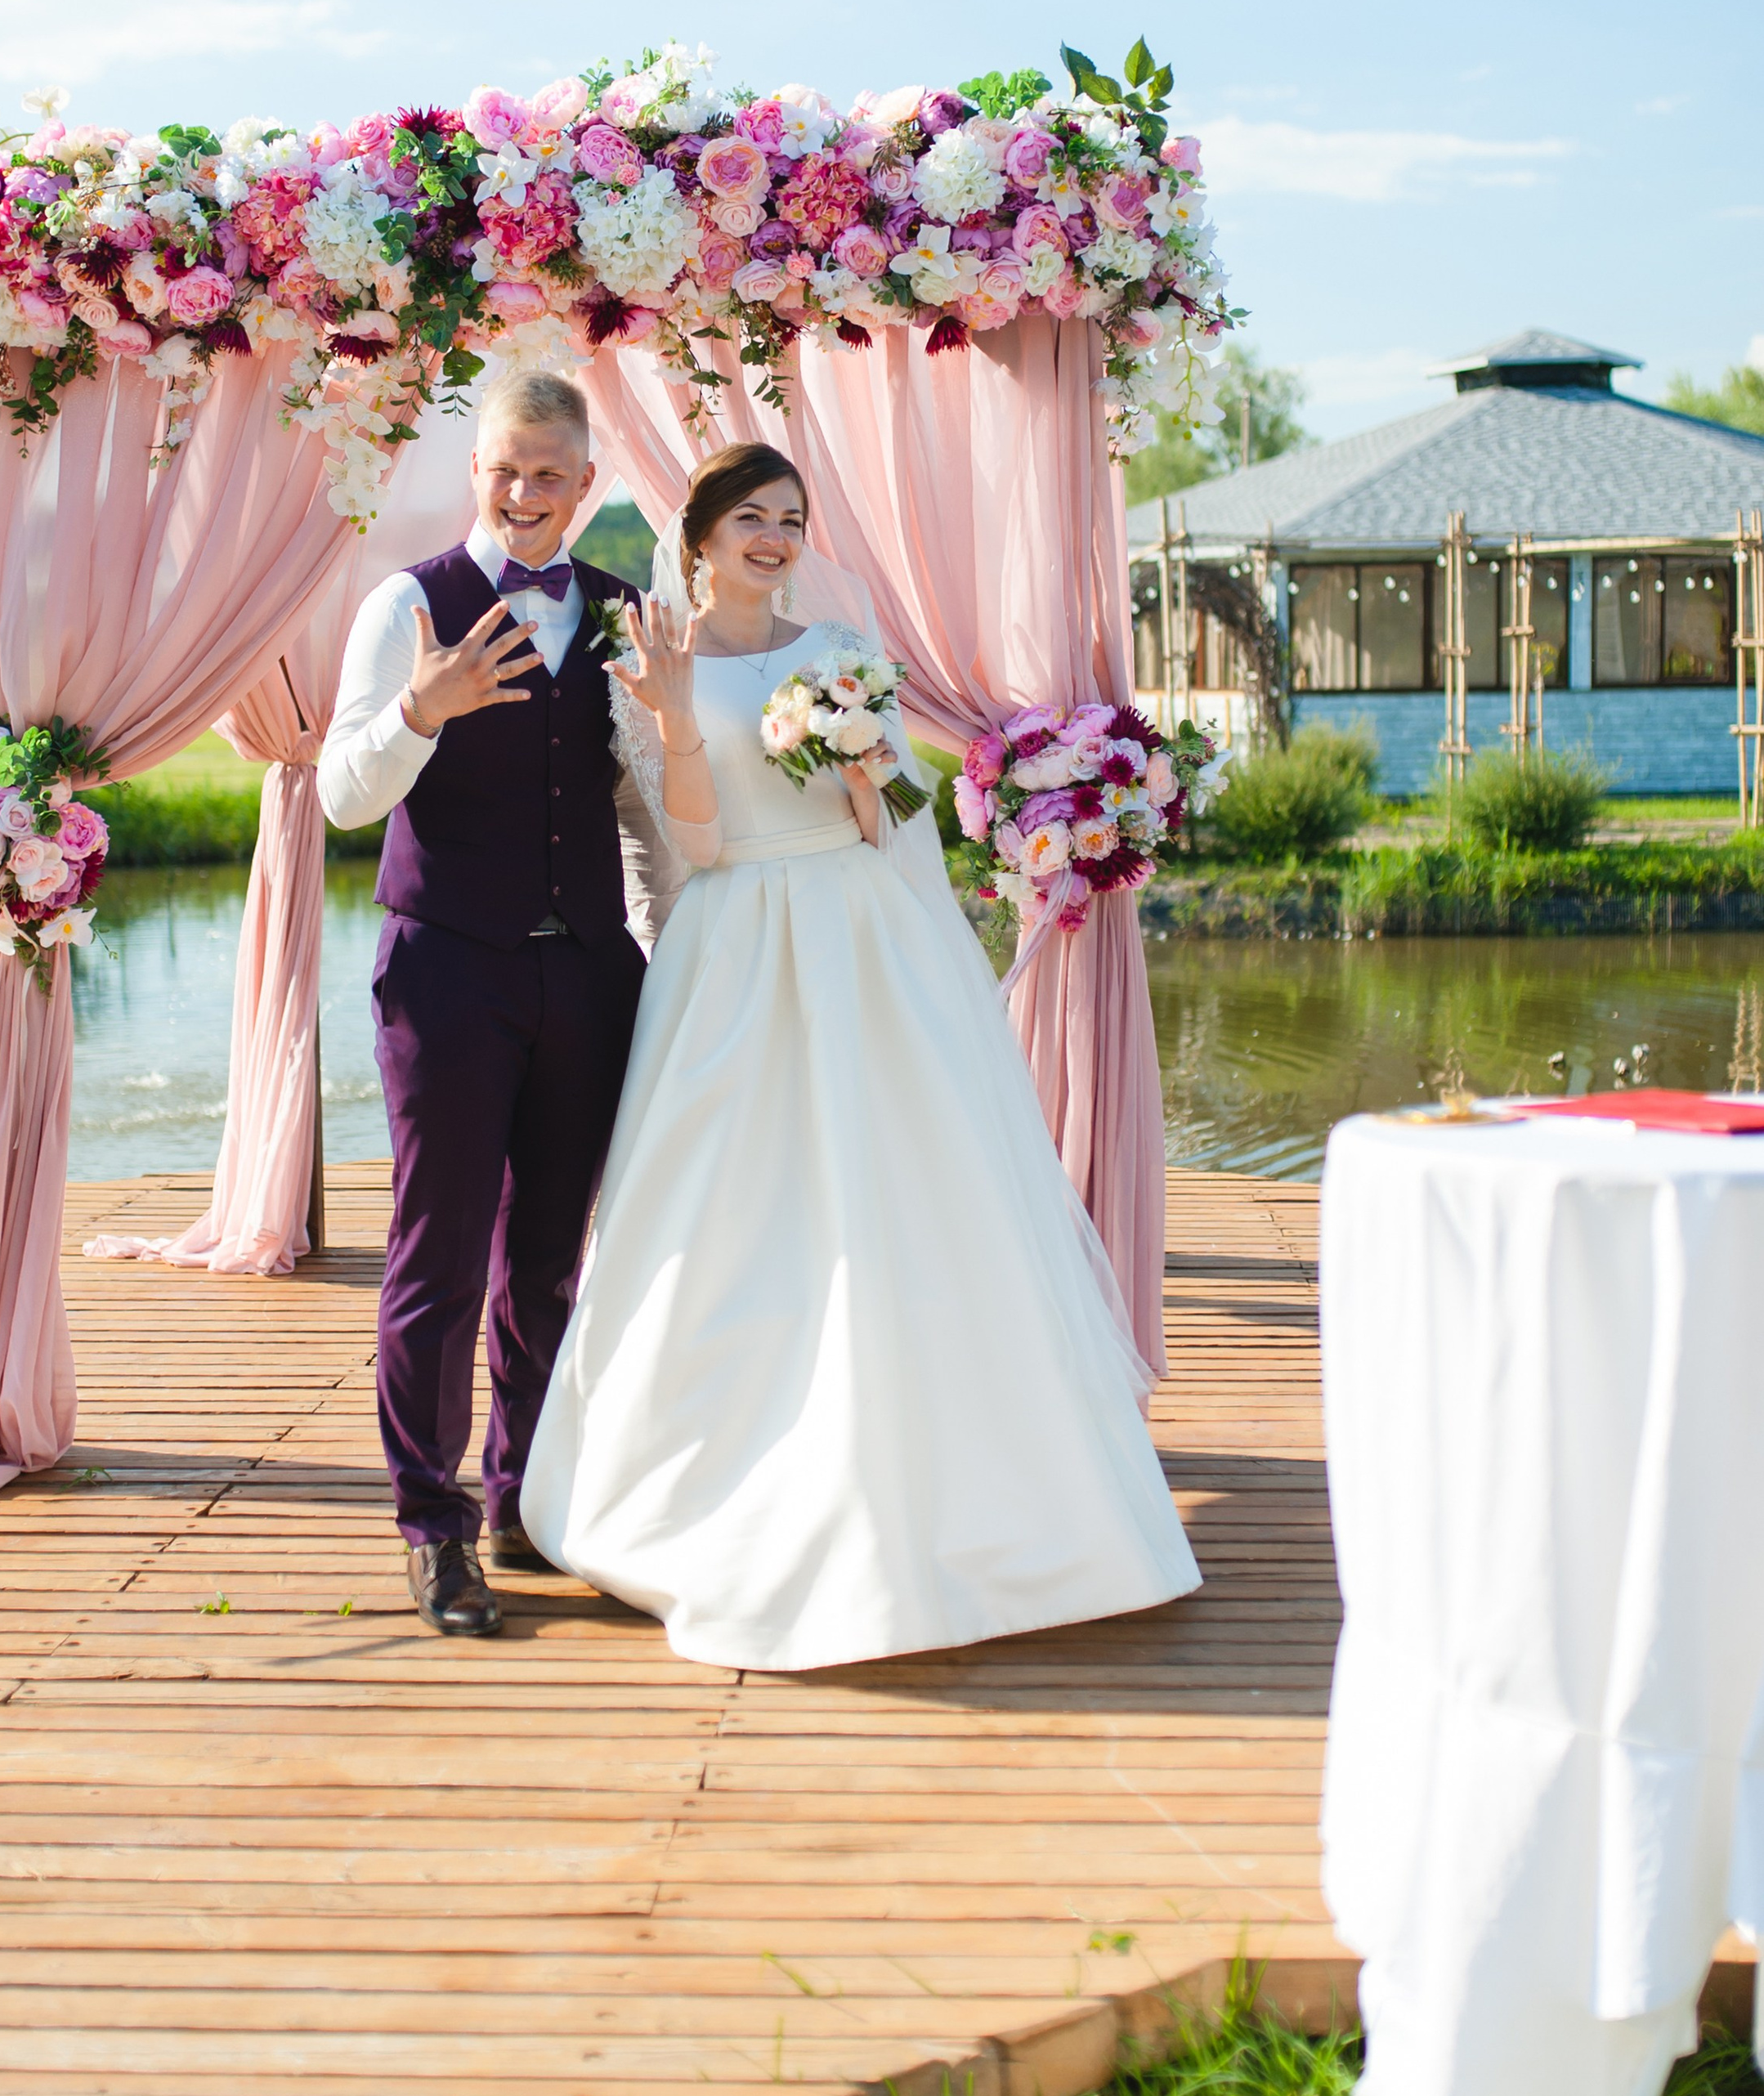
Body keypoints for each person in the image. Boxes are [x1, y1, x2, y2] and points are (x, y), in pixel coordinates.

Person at [519, 441, 1201, 1673]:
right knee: (733, 1212)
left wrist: (867, 763)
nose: (774, 540)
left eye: (791, 520)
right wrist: (675, 719)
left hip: (865, 934)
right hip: (735, 948)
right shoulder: (649, 660)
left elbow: (897, 829)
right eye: (751, 520)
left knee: (906, 1196)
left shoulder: (841, 657)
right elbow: (700, 851)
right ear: (701, 533)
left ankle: (965, 1489)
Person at [318, 369, 660, 1639]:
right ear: (478, 472)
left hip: (588, 973)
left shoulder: (627, 616)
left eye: (551, 475)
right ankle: (434, 1528)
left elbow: (638, 805)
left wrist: (682, 945)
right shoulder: (407, 605)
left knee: (550, 1260)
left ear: (587, 485)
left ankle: (522, 1499)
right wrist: (421, 710)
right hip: (448, 968)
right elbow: (342, 795)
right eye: (506, 470)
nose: (525, 495)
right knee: (440, 1257)